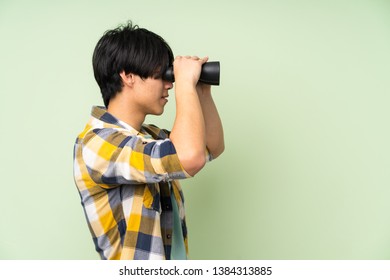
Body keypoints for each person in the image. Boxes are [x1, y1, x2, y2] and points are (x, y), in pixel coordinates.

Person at [73, 21, 224, 260]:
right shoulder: (97, 144)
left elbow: (210, 146)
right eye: (161, 74)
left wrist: (200, 90)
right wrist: (184, 83)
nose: (169, 83)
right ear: (128, 75)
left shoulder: (149, 137)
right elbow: (189, 157)